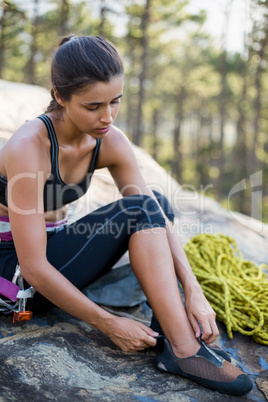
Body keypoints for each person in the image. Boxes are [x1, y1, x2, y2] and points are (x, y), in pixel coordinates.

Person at [0, 35, 252, 396]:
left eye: (115, 101)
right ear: (59, 96)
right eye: (93, 106)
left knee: (157, 203)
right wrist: (109, 323)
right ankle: (184, 349)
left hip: (57, 251)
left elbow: (155, 213)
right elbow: (35, 266)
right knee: (139, 210)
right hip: (17, 275)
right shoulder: (29, 147)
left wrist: (193, 292)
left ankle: (170, 331)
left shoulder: (108, 140)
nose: (107, 116)